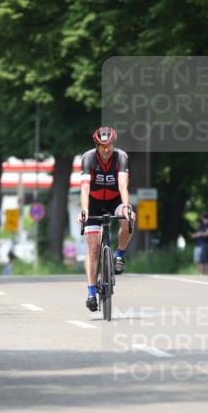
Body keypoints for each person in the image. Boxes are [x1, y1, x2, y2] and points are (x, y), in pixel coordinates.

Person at [77, 125, 134, 312]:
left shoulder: (121, 157)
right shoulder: (88, 158)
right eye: (103, 146)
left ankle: (119, 255)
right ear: (97, 146)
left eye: (109, 145)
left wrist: (126, 207)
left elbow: (123, 185)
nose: (107, 149)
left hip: (114, 200)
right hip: (93, 202)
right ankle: (91, 293)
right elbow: (85, 188)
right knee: (93, 248)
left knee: (129, 219)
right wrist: (85, 210)